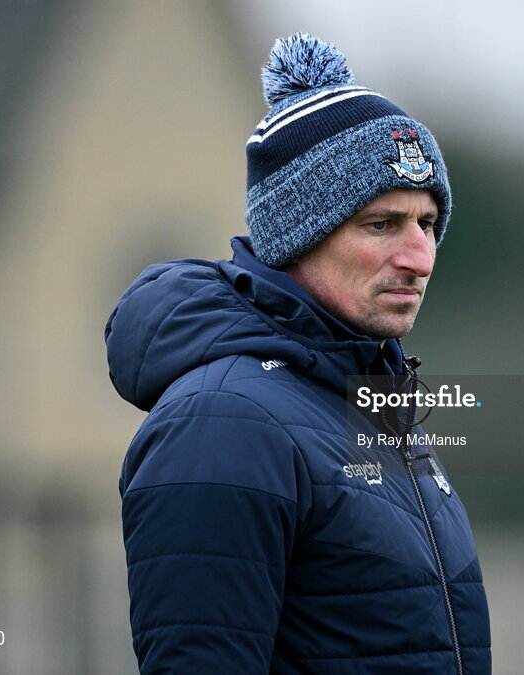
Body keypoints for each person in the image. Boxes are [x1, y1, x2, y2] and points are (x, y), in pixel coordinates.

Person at [105, 33, 491, 674]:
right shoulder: (225, 422)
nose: (420, 257)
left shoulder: (367, 406)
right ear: (297, 234)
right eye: (382, 224)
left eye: (426, 224)